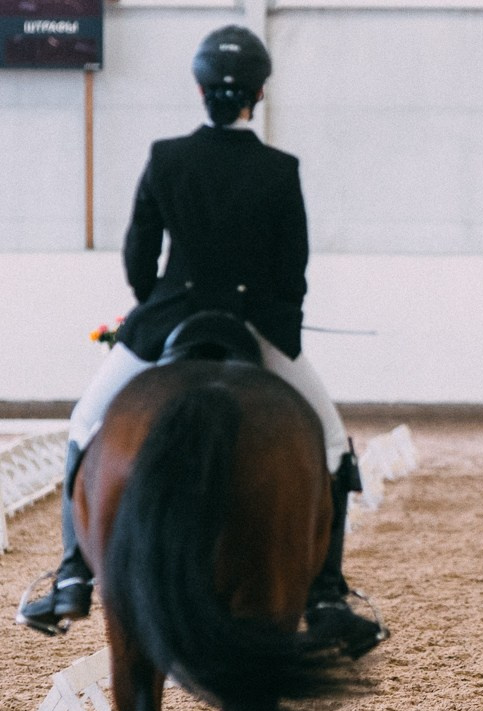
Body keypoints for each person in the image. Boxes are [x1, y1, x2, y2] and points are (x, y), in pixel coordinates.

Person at [15, 25, 385, 658]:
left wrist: (153, 307)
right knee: (330, 440)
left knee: (85, 424)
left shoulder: (165, 158)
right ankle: (326, 592)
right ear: (260, 93)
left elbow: (138, 257)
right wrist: (274, 321)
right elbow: (292, 269)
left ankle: (74, 573)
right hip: (255, 327)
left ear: (199, 88)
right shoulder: (279, 169)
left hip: (169, 319)